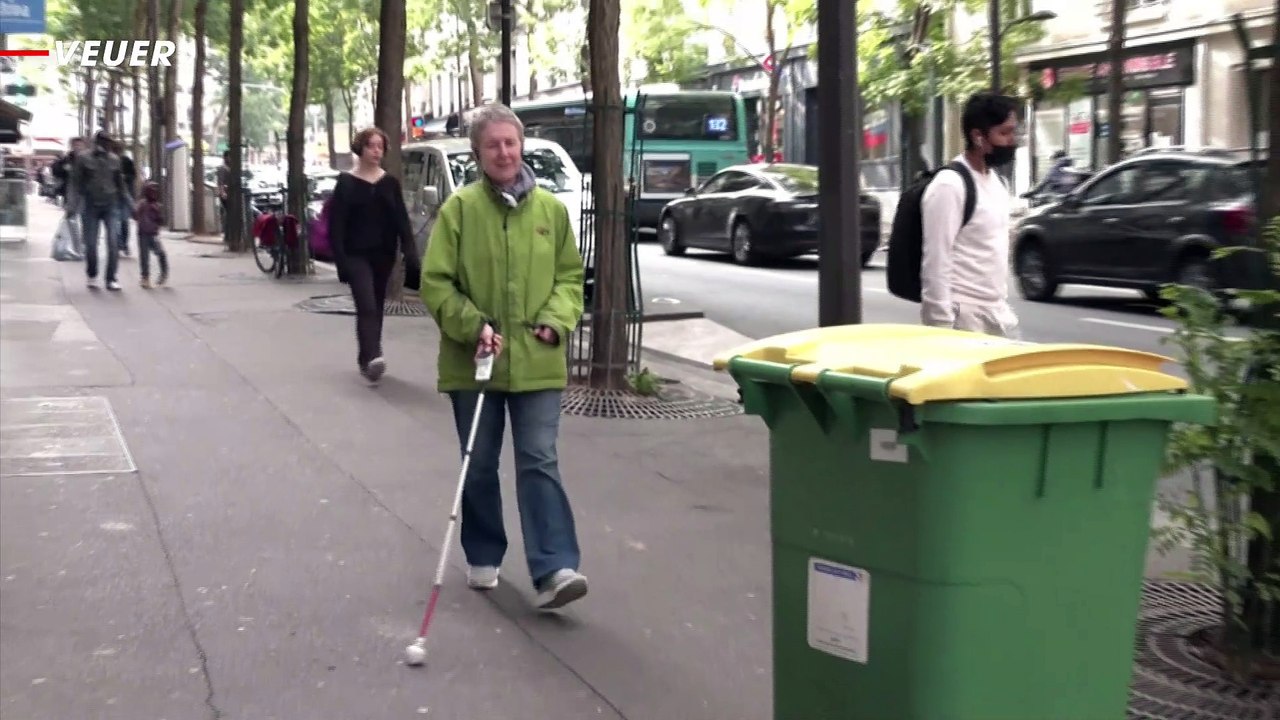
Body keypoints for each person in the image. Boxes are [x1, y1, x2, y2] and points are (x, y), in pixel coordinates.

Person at [420, 103, 589, 611]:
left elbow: (569, 279)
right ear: (477, 153)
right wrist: (475, 325)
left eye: (510, 143)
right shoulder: (460, 210)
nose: (503, 152)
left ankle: (555, 567)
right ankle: (484, 551)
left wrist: (555, 322)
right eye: (492, 144)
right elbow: (436, 283)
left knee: (540, 460)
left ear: (522, 146)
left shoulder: (551, 212)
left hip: (538, 360)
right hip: (474, 363)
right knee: (479, 465)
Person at [920, 92, 1021, 338]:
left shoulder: (996, 182)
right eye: (1004, 133)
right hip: (963, 317)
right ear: (978, 136)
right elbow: (936, 260)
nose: (1012, 141)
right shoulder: (949, 185)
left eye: (1013, 132)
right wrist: (940, 329)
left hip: (997, 313)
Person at [326, 126, 421, 382]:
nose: (377, 151)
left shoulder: (389, 183)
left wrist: (410, 253)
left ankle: (367, 356)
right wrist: (341, 262)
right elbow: (337, 225)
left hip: (383, 255)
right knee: (366, 304)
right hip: (356, 255)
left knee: (376, 304)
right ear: (361, 149)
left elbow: (402, 221)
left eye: (380, 146)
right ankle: (372, 357)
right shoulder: (346, 183)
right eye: (371, 146)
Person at [73, 130, 129, 291]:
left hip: (111, 205)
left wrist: (131, 206)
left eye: (109, 142)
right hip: (90, 205)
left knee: (113, 242)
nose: (107, 145)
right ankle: (92, 274)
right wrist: (73, 205)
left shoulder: (114, 160)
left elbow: (121, 185)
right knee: (91, 244)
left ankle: (111, 278)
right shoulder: (83, 158)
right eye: (104, 141)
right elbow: (75, 183)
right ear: (97, 142)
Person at [133, 181, 168, 288]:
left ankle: (163, 273)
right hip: (143, 233)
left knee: (160, 253)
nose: (153, 193)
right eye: (151, 190)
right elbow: (135, 215)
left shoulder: (156, 206)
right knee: (144, 256)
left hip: (153, 233)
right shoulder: (142, 204)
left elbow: (161, 220)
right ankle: (145, 277)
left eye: (155, 191)